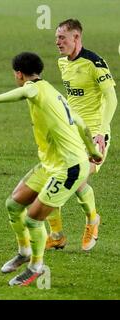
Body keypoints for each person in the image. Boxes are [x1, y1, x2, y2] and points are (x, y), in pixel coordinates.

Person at [0, 52, 102, 286]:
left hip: (68, 167)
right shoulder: (53, 91)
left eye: (15, 74)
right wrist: (95, 151)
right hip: (52, 164)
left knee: (33, 219)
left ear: (19, 74)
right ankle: (24, 251)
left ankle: (36, 267)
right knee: (13, 204)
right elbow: (79, 122)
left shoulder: (34, 88)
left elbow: (24, 92)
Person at [46, 19, 117, 251]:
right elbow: (75, 99)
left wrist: (100, 132)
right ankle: (56, 235)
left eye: (62, 38)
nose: (57, 42)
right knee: (51, 179)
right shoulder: (62, 63)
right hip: (70, 132)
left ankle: (92, 220)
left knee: (77, 181)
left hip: (94, 136)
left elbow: (112, 99)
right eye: (56, 38)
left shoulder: (94, 63)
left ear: (76, 37)